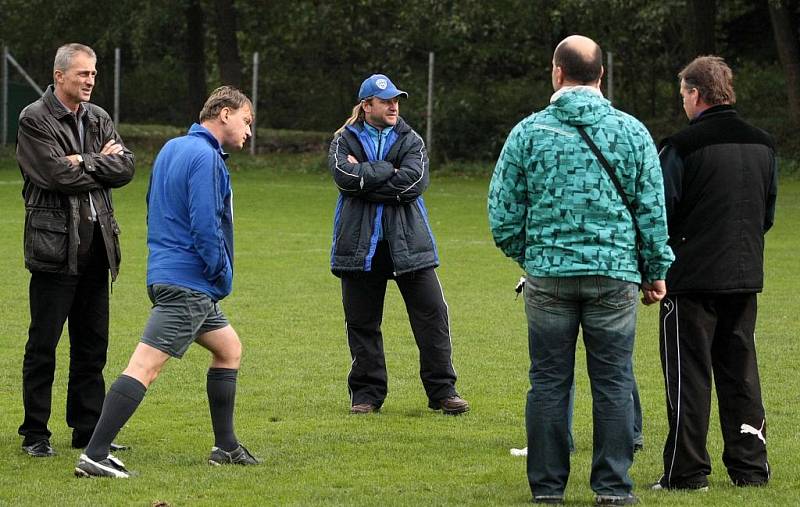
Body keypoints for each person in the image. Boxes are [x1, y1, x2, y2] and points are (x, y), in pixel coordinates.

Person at [488, 35, 674, 505]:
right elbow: (652, 210)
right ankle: (612, 488)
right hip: (614, 275)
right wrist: (654, 269)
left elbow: (502, 212)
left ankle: (547, 490)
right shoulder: (632, 132)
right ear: (601, 75)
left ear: (557, 72)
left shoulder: (529, 133)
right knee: (612, 381)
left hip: (548, 275)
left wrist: (528, 255)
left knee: (548, 381)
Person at [74, 86, 259, 478]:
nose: (249, 131)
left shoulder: (173, 148)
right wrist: (220, 272)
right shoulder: (206, 157)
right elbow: (206, 224)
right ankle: (95, 454)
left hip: (167, 274)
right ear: (224, 114)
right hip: (190, 281)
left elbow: (151, 209)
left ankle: (225, 446)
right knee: (145, 366)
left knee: (228, 348)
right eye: (247, 120)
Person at [652, 56, 776, 491]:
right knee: (740, 371)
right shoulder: (763, 145)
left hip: (691, 280)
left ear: (696, 94)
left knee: (689, 375)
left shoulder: (681, 147)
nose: (683, 102)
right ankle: (750, 467)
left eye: (683, 94)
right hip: (744, 274)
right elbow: (767, 213)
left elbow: (661, 212)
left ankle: (687, 472)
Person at [16, 43, 135, 457]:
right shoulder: (35, 118)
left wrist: (80, 161)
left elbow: (126, 168)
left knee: (92, 346)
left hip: (97, 248)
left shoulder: (99, 117)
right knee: (43, 345)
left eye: (94, 73)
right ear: (60, 76)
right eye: (83, 74)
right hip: (54, 248)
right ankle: (35, 434)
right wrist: (95, 163)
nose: (91, 81)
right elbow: (52, 175)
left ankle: (87, 430)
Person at [328, 73, 469, 415]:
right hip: (360, 246)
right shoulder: (342, 139)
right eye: (386, 101)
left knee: (433, 316)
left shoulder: (411, 139)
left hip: (409, 243)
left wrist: (366, 174)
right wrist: (387, 170)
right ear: (367, 106)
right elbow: (345, 180)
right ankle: (366, 395)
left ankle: (442, 392)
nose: (394, 106)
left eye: (396, 100)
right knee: (362, 322)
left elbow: (414, 184)